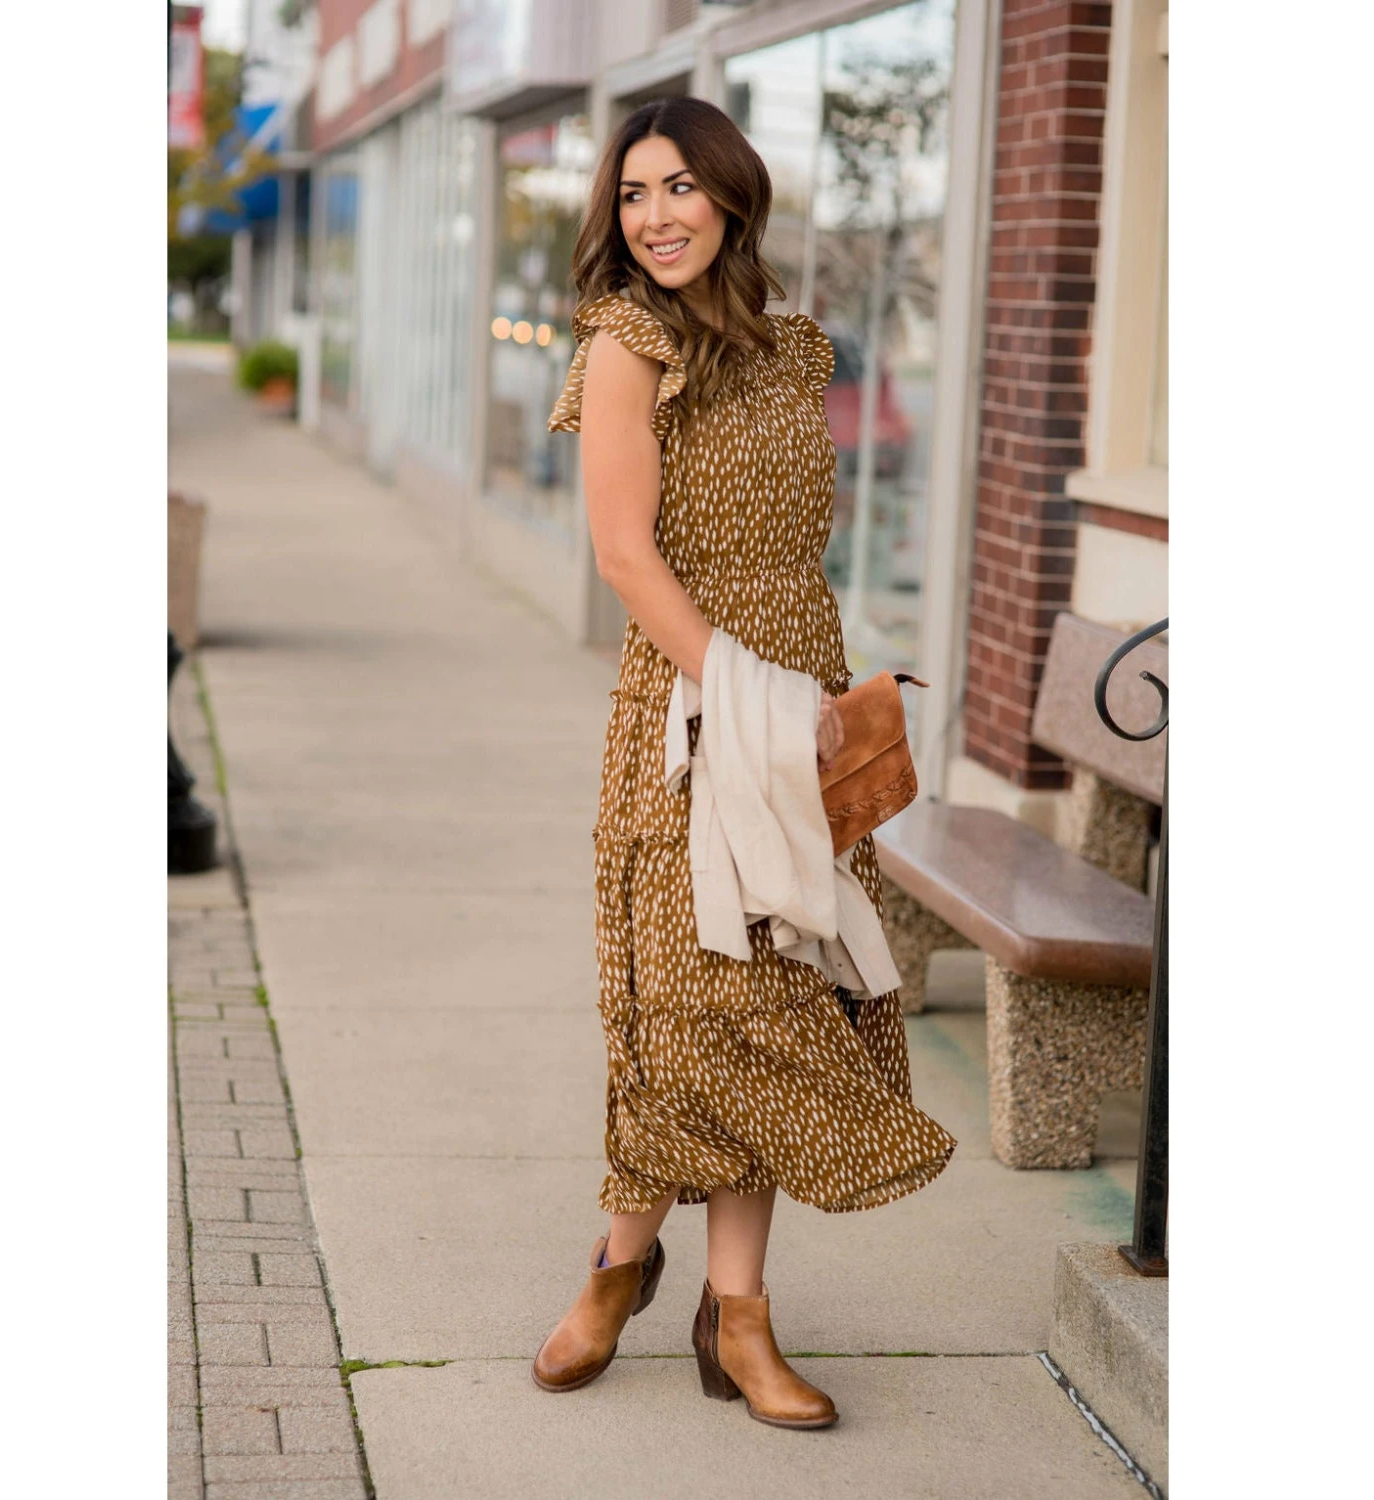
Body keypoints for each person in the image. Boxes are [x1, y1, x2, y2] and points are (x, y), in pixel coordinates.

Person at [531, 96, 956, 1430]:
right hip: (691, 707)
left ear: (730, 195)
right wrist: (753, 695)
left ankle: (738, 1315)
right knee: (684, 1006)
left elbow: (798, 539)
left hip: (797, 690)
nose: (656, 216)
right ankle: (618, 1266)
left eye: (680, 187)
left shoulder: (794, 347)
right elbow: (624, 555)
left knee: (771, 1002)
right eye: (634, 193)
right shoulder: (624, 342)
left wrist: (810, 695)